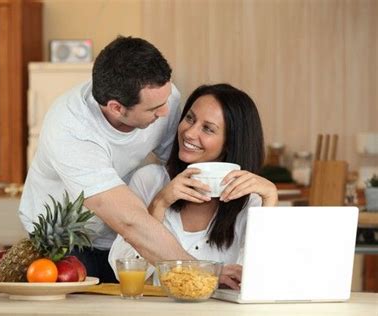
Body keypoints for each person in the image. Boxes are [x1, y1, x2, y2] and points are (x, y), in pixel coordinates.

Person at [19, 36, 198, 283]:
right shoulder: (70, 129)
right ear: (116, 108)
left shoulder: (160, 97)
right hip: (63, 245)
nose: (166, 112)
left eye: (166, 100)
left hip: (125, 240)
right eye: (153, 109)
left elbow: (179, 167)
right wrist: (198, 271)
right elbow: (128, 220)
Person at [109, 83, 278, 289]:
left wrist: (270, 199)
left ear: (230, 143)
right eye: (190, 118)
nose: (189, 133)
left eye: (207, 128)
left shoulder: (250, 200)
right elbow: (123, 272)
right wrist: (160, 203)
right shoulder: (150, 180)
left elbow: (259, 280)